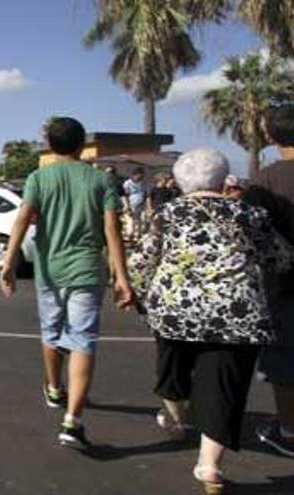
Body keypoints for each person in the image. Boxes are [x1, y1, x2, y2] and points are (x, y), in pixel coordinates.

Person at [128, 149, 292, 493]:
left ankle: (175, 419)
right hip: (236, 314)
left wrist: (140, 295)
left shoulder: (167, 213)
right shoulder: (250, 214)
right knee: (225, 385)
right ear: (222, 178)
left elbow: (143, 260)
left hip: (176, 313)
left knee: (171, 371)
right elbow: (280, 257)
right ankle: (209, 466)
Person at [0, 116, 134, 450]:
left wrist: (9, 261)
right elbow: (112, 231)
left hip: (50, 270)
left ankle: (54, 387)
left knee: (51, 331)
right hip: (88, 270)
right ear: (81, 145)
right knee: (83, 340)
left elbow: (21, 220)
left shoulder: (38, 178)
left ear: (49, 143)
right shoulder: (100, 181)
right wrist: (122, 276)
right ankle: (73, 422)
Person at [246, 103, 294, 458]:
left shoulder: (265, 180)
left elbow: (252, 234)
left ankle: (289, 430)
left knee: (284, 360)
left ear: (270, 134)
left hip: (284, 283)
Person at [123, 167, 147, 239]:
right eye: (140, 175)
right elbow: (125, 195)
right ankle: (130, 237)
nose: (142, 177)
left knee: (141, 222)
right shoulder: (127, 183)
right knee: (131, 222)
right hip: (131, 205)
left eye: (143, 176)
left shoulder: (142, 183)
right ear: (135, 175)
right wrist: (127, 206)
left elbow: (145, 194)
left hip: (141, 205)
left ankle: (138, 236)